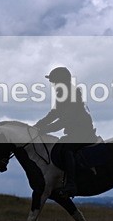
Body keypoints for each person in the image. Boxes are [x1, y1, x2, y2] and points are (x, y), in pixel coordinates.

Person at [33, 66, 99, 197]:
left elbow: (64, 121)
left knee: (67, 149)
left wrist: (44, 129)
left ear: (61, 80)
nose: (53, 84)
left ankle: (71, 184)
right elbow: (55, 113)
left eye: (54, 81)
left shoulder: (70, 93)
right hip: (74, 132)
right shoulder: (62, 94)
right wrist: (38, 125)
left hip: (82, 132)